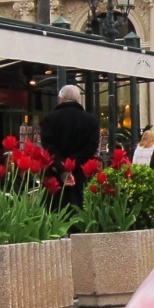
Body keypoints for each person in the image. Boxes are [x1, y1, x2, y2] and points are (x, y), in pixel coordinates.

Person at [39, 84, 101, 212]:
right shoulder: (91, 121)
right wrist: (72, 165)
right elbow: (90, 149)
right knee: (79, 212)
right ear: (78, 100)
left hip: (55, 178)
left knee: (54, 215)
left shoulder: (49, 119)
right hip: (79, 176)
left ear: (60, 99)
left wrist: (63, 169)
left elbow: (49, 148)